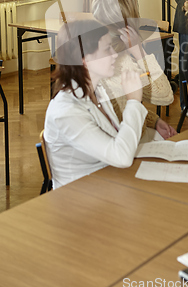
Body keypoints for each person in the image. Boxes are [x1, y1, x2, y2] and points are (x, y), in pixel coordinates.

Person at [44, 19, 147, 189]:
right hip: (80, 198)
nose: (115, 54)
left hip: (107, 180)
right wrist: (134, 102)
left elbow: (115, 141)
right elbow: (121, 157)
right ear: (84, 58)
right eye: (107, 49)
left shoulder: (97, 90)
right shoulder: (66, 111)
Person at [92, 0, 176, 140]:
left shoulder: (96, 55)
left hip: (119, 134)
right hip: (126, 141)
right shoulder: (120, 63)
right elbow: (166, 96)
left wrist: (153, 120)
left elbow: (122, 104)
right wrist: (139, 52)